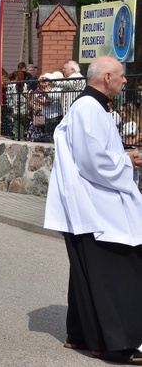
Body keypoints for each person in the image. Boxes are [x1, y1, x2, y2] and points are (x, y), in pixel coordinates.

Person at [45, 56, 142, 364]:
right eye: (123, 76)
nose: (125, 81)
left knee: (90, 273)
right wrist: (129, 160)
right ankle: (117, 344)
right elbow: (93, 162)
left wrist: (123, 155)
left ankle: (81, 334)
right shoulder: (88, 109)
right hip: (94, 206)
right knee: (119, 270)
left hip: (90, 204)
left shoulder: (92, 108)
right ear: (108, 76)